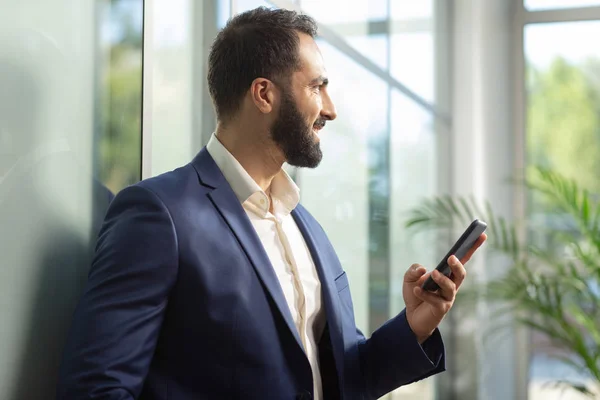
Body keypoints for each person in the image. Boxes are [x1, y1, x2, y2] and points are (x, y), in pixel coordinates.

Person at [57, 6, 486, 400]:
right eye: (317, 87)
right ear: (264, 94)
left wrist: (415, 325)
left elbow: (341, 377)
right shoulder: (158, 215)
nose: (331, 110)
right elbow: (97, 387)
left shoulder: (305, 226)